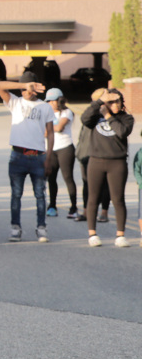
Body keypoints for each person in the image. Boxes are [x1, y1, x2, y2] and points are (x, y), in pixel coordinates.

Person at [0, 73, 55, 243]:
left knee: (40, 194)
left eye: (29, 87)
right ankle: (15, 227)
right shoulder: (15, 102)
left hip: (37, 156)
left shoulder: (45, 107)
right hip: (18, 155)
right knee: (16, 194)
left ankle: (41, 227)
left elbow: (50, 133)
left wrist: (49, 157)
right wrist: (23, 85)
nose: (26, 91)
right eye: (23, 88)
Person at [81, 89, 133, 247]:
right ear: (105, 103)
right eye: (111, 101)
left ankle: (120, 235)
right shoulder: (95, 117)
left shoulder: (126, 118)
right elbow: (84, 119)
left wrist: (109, 116)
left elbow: (122, 132)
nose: (115, 104)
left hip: (117, 162)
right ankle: (92, 234)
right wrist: (99, 102)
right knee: (93, 198)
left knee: (118, 199)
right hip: (96, 161)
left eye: (117, 101)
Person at [75, 88, 111, 224]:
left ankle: (104, 212)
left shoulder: (110, 114)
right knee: (86, 183)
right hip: (86, 153)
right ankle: (86, 211)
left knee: (105, 184)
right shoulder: (91, 114)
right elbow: (84, 126)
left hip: (104, 154)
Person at [45, 88, 77, 219]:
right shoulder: (46, 114)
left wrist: (47, 129)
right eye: (49, 101)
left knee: (67, 178)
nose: (51, 104)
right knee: (51, 178)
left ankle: (73, 207)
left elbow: (59, 127)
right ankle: (52, 206)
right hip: (51, 149)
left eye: (53, 101)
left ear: (60, 100)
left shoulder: (67, 112)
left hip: (65, 148)